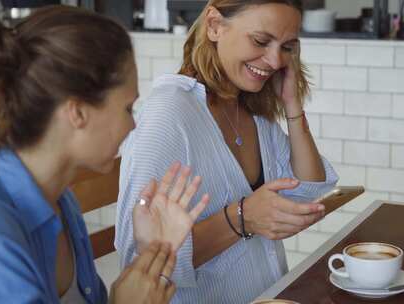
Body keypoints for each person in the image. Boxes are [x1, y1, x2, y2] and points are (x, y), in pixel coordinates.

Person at [0, 6, 209, 304]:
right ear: (78, 112)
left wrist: (153, 251)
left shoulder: (63, 202)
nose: (133, 125)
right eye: (127, 108)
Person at [116, 0, 339, 303]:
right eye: (261, 41)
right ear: (214, 25)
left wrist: (292, 106)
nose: (275, 61)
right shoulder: (169, 114)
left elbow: (306, 188)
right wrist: (242, 218)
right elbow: (138, 261)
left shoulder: (248, 109)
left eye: (287, 47)